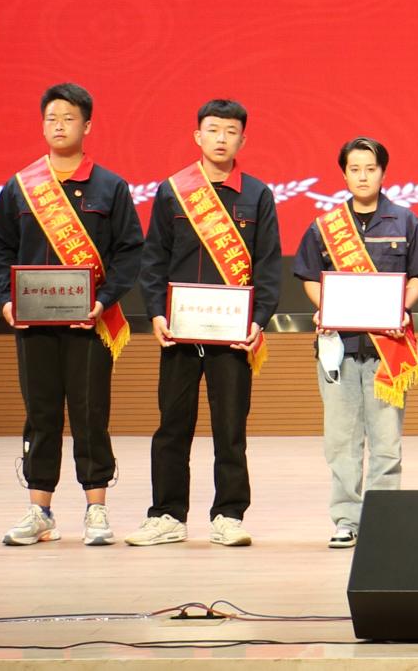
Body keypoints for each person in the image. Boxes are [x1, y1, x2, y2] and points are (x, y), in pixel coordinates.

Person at [0, 82, 144, 546]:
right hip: (34, 325)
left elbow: (129, 251)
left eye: (69, 118)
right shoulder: (21, 187)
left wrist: (103, 300)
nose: (59, 125)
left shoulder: (110, 187)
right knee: (41, 414)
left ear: (87, 126)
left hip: (90, 323)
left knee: (91, 414)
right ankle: (40, 511)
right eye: (51, 118)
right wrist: (6, 299)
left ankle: (96, 510)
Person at [126, 99, 282, 547]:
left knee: (230, 429)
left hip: (233, 335)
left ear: (242, 140)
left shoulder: (257, 195)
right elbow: (154, 259)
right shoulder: (173, 191)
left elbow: (268, 265)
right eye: (213, 130)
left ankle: (229, 515)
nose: (220, 138)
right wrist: (156, 312)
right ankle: (167, 515)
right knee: (172, 426)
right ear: (198, 136)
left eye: (230, 131)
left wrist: (258, 321)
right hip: (179, 331)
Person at [294, 137, 418, 548]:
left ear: (383, 172)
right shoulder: (325, 226)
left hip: (387, 349)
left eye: (370, 169)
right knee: (342, 441)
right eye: (354, 169)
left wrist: (401, 308)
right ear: (344, 174)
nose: (362, 176)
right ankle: (346, 519)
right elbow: (308, 277)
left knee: (386, 441)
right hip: (338, 348)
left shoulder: (405, 221)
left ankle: (383, 519)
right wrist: (325, 307)